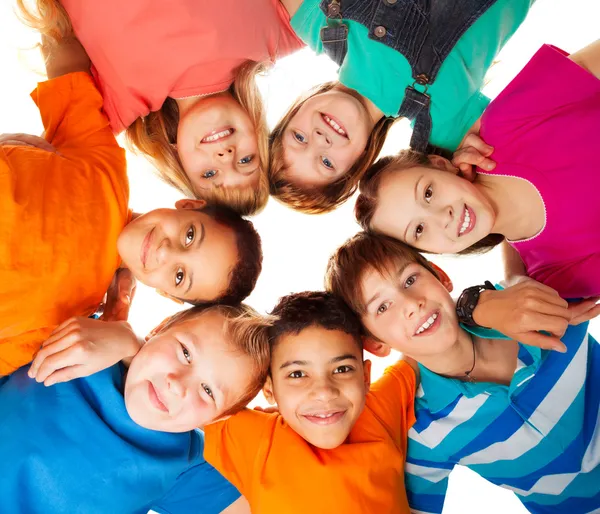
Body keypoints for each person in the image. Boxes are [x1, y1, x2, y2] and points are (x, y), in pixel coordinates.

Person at [0, 34, 263, 376]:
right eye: (189, 236)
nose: (166, 254)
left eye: (180, 276)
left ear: (167, 294)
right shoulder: (105, 167)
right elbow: (65, 58)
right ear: (187, 205)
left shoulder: (69, 322)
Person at [326, 231, 600, 513]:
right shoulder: (426, 431)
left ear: (440, 276)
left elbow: (532, 224)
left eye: (410, 280)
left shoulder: (526, 301)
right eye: (383, 307)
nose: (411, 304)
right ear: (374, 343)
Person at [355, 40, 600, 299]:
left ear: (441, 165)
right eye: (419, 230)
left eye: (428, 193)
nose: (443, 216)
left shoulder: (505, 124)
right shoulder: (553, 276)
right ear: (432, 253)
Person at [16, 0, 305, 215]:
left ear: (180, 162)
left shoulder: (112, 109)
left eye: (209, 175)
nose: (226, 156)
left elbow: (58, 40)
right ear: (260, 135)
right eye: (246, 161)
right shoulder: (281, 35)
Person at [0, 303, 271, 514]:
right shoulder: (85, 338)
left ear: (218, 418)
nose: (177, 384)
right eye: (185, 352)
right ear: (160, 328)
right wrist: (128, 339)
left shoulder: (186, 459)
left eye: (208, 391)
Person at [268, 0, 534, 214]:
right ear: (358, 163)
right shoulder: (442, 126)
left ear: (293, 113)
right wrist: (471, 177)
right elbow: (521, 185)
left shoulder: (318, 20)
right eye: (326, 163)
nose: (320, 141)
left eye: (299, 138)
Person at [204, 291, 416, 513]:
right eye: (297, 374)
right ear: (269, 388)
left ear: (365, 377)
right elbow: (175, 388)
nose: (324, 392)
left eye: (342, 369)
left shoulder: (379, 411)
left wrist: (376, 329)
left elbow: (427, 341)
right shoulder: (253, 436)